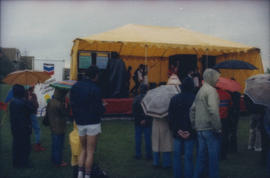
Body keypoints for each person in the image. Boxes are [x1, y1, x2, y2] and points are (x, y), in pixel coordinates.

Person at [70, 65, 106, 178]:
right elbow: (98, 109)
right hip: (93, 123)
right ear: (95, 75)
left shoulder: (75, 87)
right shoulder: (96, 88)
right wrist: (103, 107)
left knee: (83, 150)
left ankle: (80, 174)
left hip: (80, 122)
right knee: (90, 152)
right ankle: (87, 175)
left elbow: (73, 104)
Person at [190, 68, 221, 178]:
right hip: (210, 129)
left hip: (200, 129)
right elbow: (213, 111)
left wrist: (194, 124)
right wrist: (218, 128)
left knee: (201, 157)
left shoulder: (200, 90)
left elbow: (192, 109)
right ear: (211, 78)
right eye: (217, 79)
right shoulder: (212, 91)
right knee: (213, 158)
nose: (218, 81)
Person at [168, 77, 196, 178]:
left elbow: (171, 117)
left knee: (176, 157)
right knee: (188, 157)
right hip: (190, 132)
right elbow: (197, 118)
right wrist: (191, 132)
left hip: (177, 132)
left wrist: (177, 130)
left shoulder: (174, 99)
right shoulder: (195, 99)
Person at [151, 75, 180, 168]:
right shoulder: (170, 97)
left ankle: (156, 162)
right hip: (165, 123)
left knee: (156, 144)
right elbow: (171, 112)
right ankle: (166, 163)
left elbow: (150, 111)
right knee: (166, 144)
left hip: (156, 123)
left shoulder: (154, 97)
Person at [9, 84, 35, 168]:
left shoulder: (12, 101)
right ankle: (24, 163)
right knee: (25, 146)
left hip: (15, 127)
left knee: (16, 145)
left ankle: (16, 163)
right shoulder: (23, 102)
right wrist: (29, 100)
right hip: (24, 128)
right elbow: (32, 109)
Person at [46, 88, 69, 167]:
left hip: (53, 126)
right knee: (58, 145)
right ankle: (58, 162)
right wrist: (66, 106)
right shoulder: (59, 103)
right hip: (59, 127)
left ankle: (54, 159)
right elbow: (65, 113)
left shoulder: (51, 101)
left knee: (55, 144)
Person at [132, 84, 152, 160]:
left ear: (140, 89)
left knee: (138, 138)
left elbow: (134, 112)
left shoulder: (136, 99)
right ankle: (148, 155)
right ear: (147, 90)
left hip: (138, 121)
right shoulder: (149, 99)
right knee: (148, 139)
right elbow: (150, 111)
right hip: (147, 121)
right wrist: (145, 119)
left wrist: (140, 120)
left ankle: (138, 154)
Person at [27, 86, 45, 152]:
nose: (33, 89)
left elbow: (36, 105)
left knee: (35, 129)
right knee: (35, 129)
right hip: (29, 115)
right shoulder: (25, 95)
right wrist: (29, 100)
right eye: (33, 88)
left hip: (32, 114)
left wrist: (32, 101)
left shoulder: (33, 95)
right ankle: (36, 145)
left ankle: (36, 144)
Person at [216, 88, 232, 160]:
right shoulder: (227, 94)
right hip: (224, 118)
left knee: (215, 137)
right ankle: (223, 155)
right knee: (224, 136)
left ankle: (216, 153)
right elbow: (230, 105)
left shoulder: (212, 94)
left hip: (215, 118)